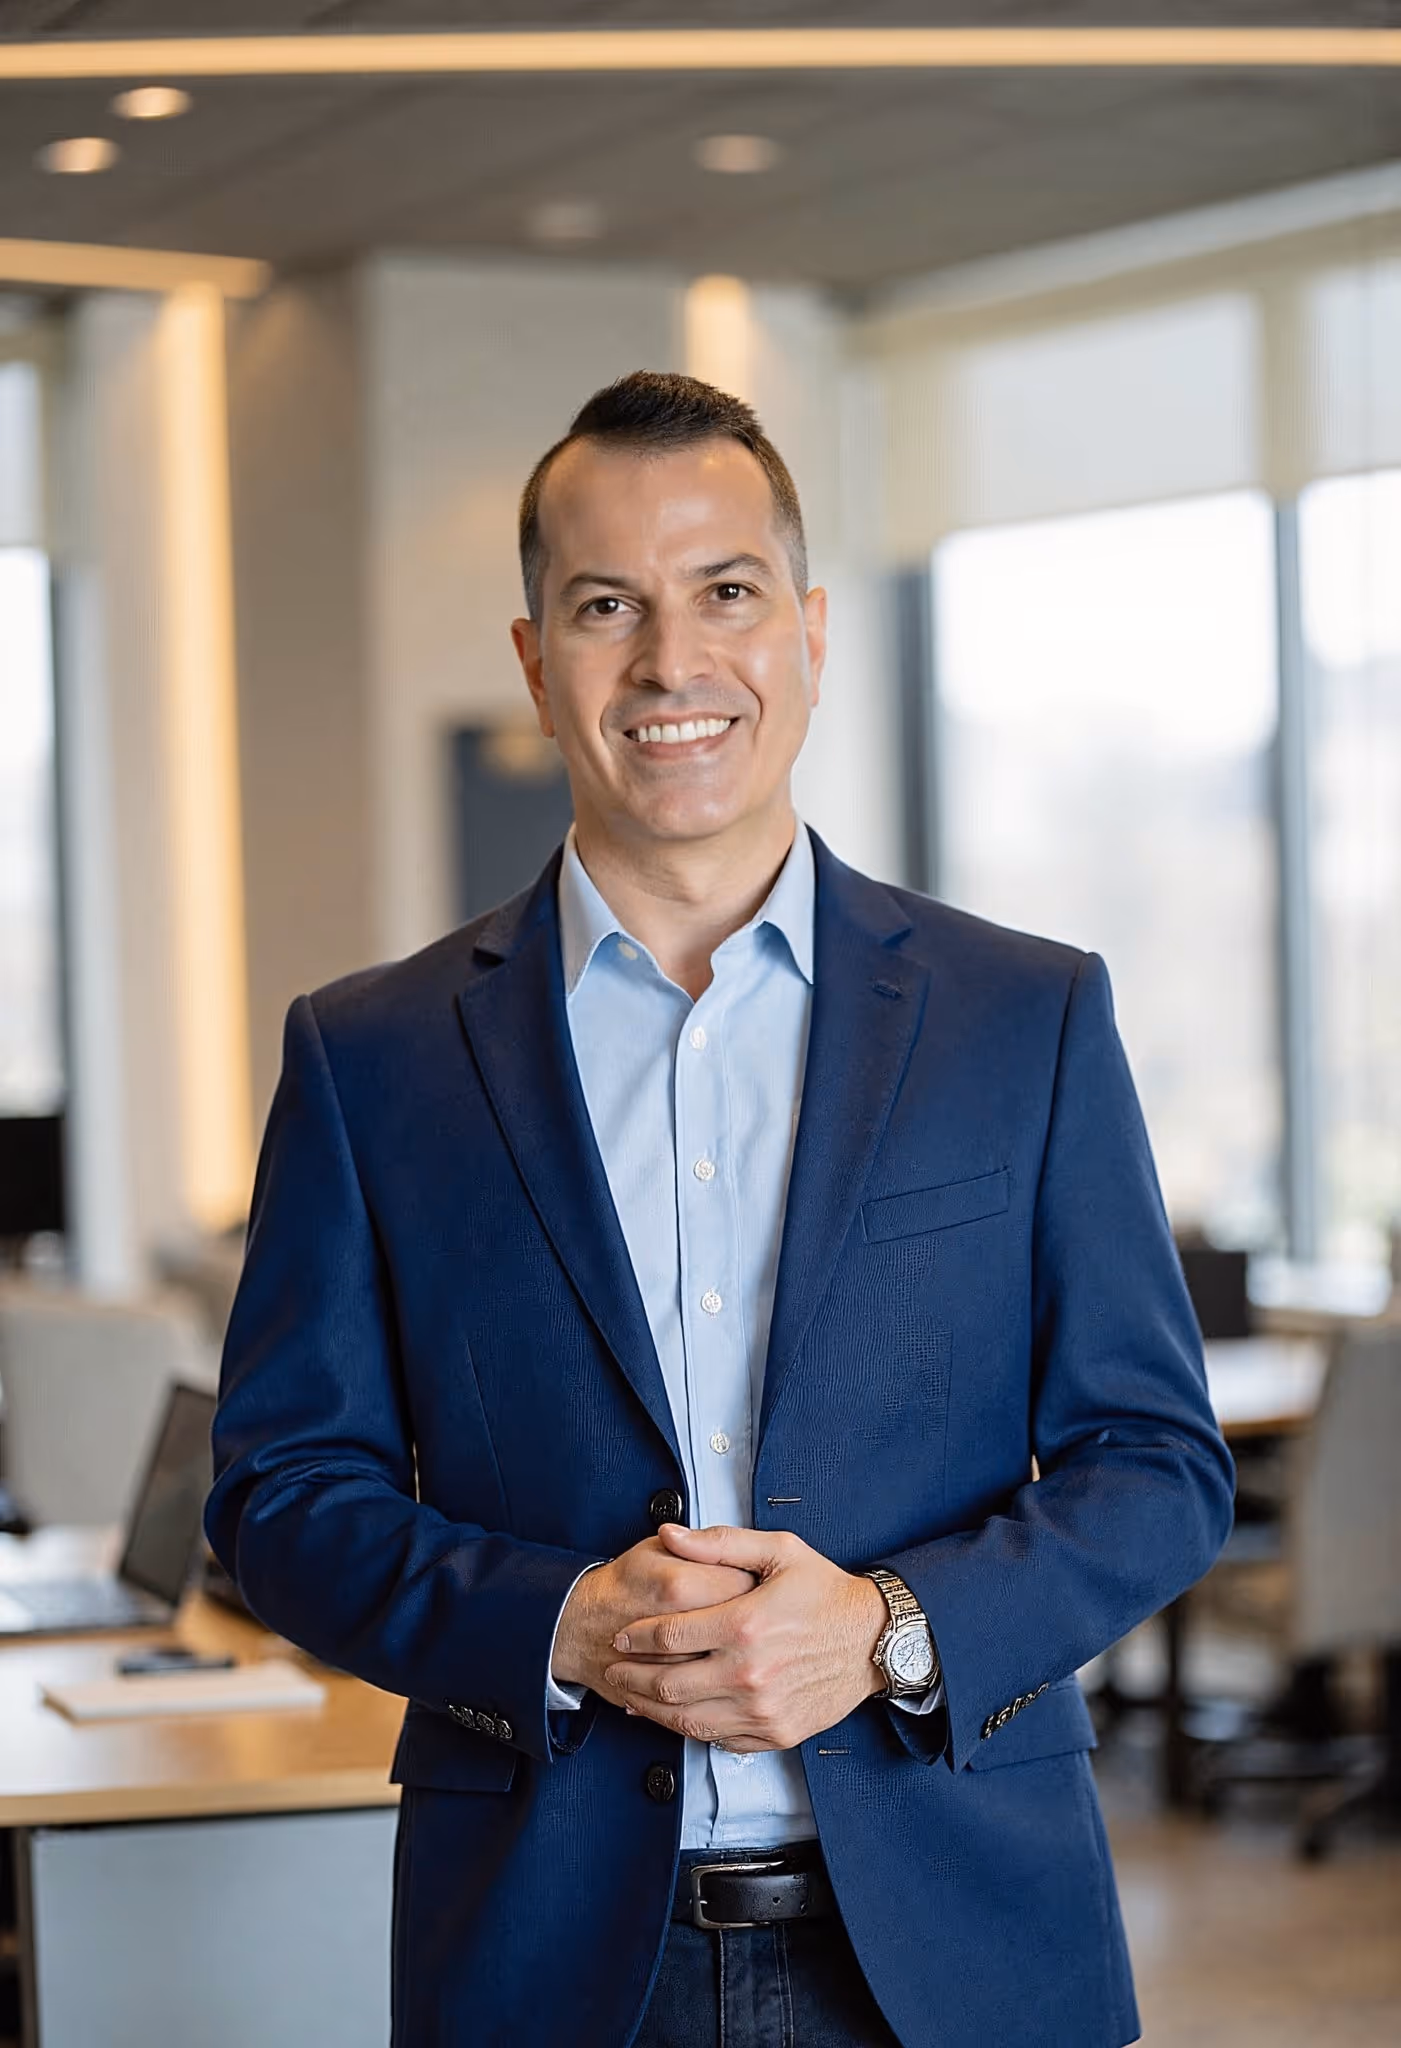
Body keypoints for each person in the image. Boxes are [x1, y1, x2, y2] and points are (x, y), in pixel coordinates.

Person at [206, 371, 1235, 2048]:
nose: (673, 663)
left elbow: (1160, 1469)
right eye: (607, 605)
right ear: (538, 662)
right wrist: (558, 1626)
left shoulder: (1022, 1020)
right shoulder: (371, 1057)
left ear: (810, 634)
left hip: (964, 1942)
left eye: (727, 594)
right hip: (542, 1958)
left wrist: (890, 1632)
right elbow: (279, 1497)